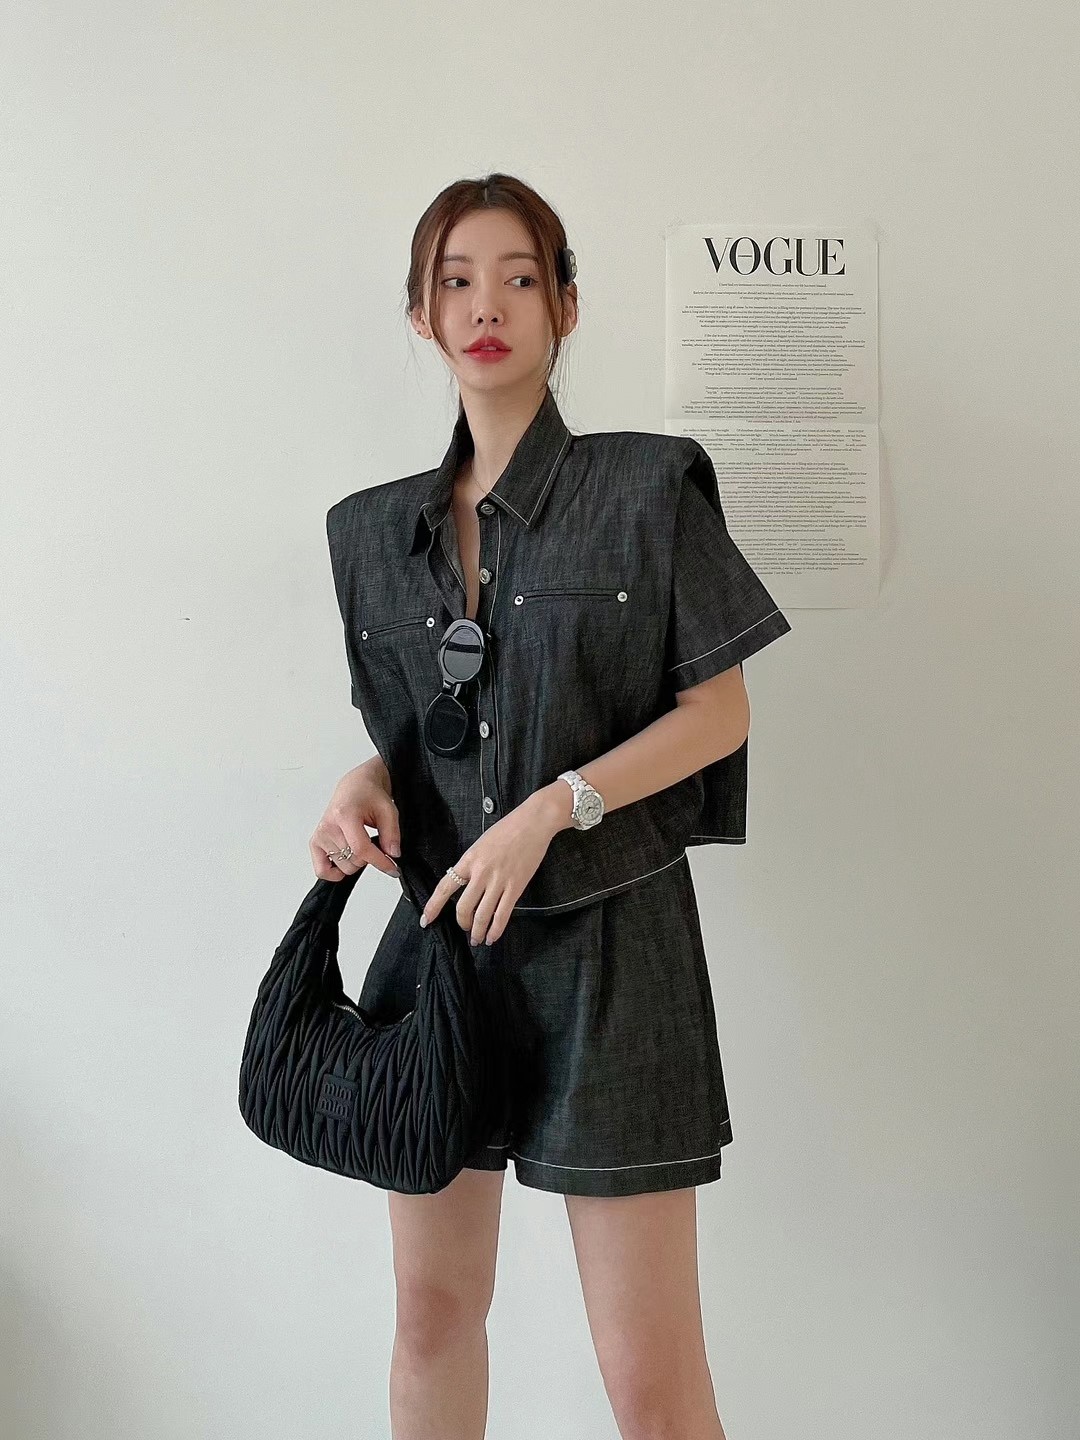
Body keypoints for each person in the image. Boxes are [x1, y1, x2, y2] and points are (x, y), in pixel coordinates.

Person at [311, 173, 791, 1440]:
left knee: (648, 1373)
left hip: (615, 952)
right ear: (421, 313)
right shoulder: (370, 534)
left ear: (565, 305)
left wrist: (552, 809)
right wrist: (366, 783)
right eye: (457, 281)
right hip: (444, 951)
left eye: (520, 279)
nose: (488, 307)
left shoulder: (647, 489)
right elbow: (413, 740)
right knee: (431, 1318)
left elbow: (719, 713)